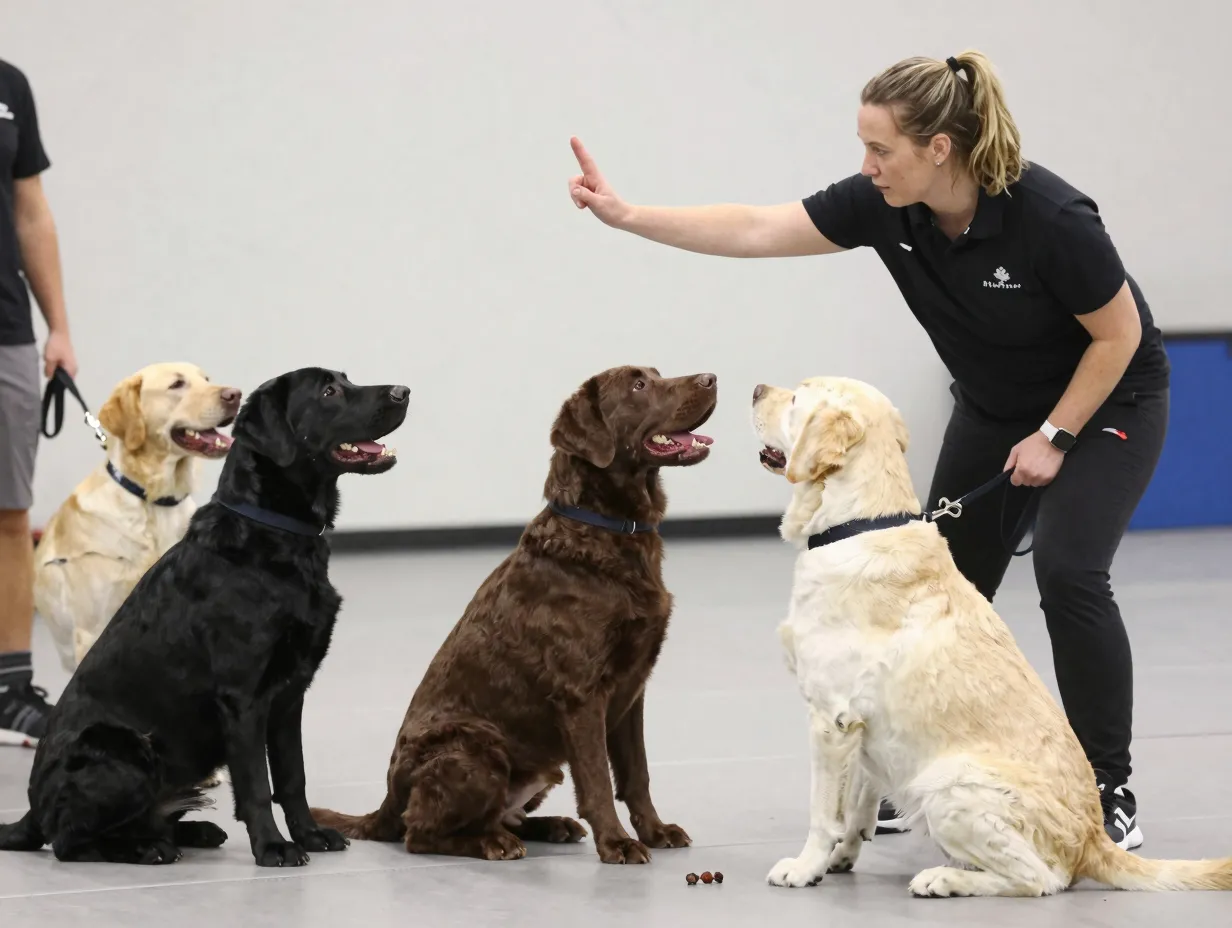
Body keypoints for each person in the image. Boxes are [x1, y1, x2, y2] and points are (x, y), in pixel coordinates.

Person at [566, 49, 1169, 852]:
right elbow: (756, 227)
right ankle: (919, 764)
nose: (866, 165)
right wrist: (628, 215)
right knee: (934, 583)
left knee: (1069, 571)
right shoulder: (886, 205)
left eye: (880, 148)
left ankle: (1106, 785)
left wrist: (1056, 434)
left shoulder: (1050, 218)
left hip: (1107, 400)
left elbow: (1119, 336)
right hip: (995, 409)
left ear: (939, 149)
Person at [0, 57, 77, 747]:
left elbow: (31, 211)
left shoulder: (8, 86)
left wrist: (57, 327)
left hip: (6, 333)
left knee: (8, 512)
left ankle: (8, 688)